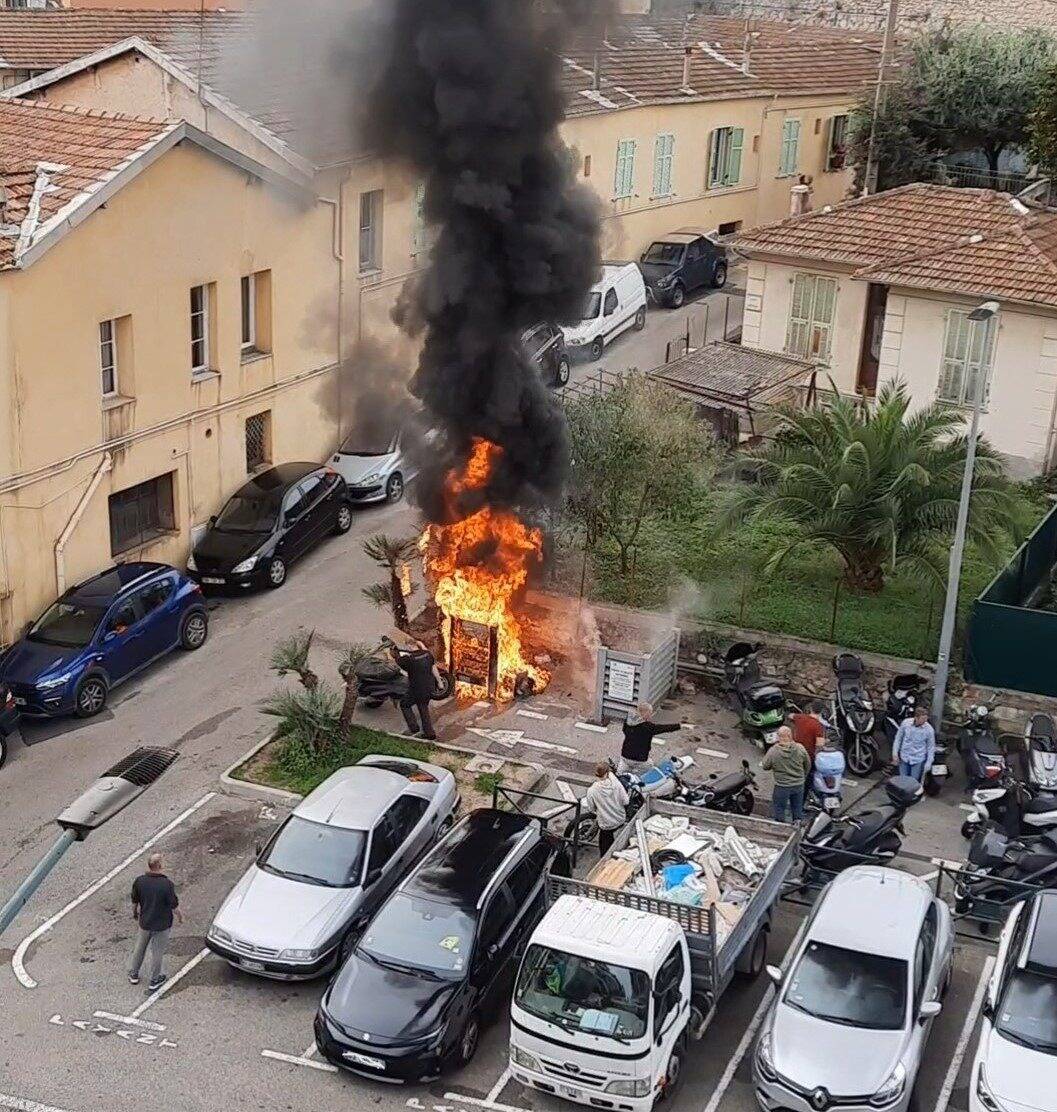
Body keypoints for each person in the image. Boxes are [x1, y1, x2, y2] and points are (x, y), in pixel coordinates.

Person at [129, 853, 181, 991]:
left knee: (140, 948)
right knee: (157, 953)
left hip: (145, 922)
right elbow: (173, 904)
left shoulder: (140, 881)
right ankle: (154, 979)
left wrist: (135, 914)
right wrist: (180, 916)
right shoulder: (166, 884)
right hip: (162, 925)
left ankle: (134, 973)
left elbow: (135, 901)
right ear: (159, 865)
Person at [391, 637, 441, 741]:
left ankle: (414, 728)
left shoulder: (408, 659)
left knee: (404, 704)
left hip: (416, 688)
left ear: (408, 646)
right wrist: (439, 682)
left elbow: (398, 662)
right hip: (429, 686)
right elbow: (433, 667)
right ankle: (429, 733)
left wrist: (394, 655)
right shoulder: (427, 654)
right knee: (423, 707)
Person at [762, 725, 812, 823]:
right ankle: (797, 827)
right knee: (797, 809)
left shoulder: (773, 751)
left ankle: (780, 828)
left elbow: (765, 766)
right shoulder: (800, 748)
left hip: (782, 786)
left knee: (779, 809)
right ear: (790, 735)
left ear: (778, 737)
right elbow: (808, 765)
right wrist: (802, 777)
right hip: (798, 785)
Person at [583, 762, 630, 857]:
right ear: (607, 772)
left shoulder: (592, 790)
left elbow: (591, 808)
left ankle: (605, 859)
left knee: (604, 845)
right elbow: (626, 801)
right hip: (620, 818)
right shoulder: (616, 784)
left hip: (606, 824)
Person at [619, 702, 680, 775]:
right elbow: (663, 728)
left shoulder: (628, 721)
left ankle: (622, 773)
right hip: (640, 759)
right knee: (651, 771)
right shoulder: (647, 727)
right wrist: (679, 726)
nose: (651, 715)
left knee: (620, 773)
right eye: (650, 713)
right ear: (646, 713)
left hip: (625, 756)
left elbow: (624, 730)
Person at [892, 705, 936, 783]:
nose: (925, 721)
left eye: (926, 718)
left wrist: (929, 762)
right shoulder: (906, 723)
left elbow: (931, 747)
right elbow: (898, 739)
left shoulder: (929, 730)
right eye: (923, 719)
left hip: (917, 760)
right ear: (916, 717)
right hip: (904, 757)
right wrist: (895, 753)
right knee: (903, 781)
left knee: (913, 782)